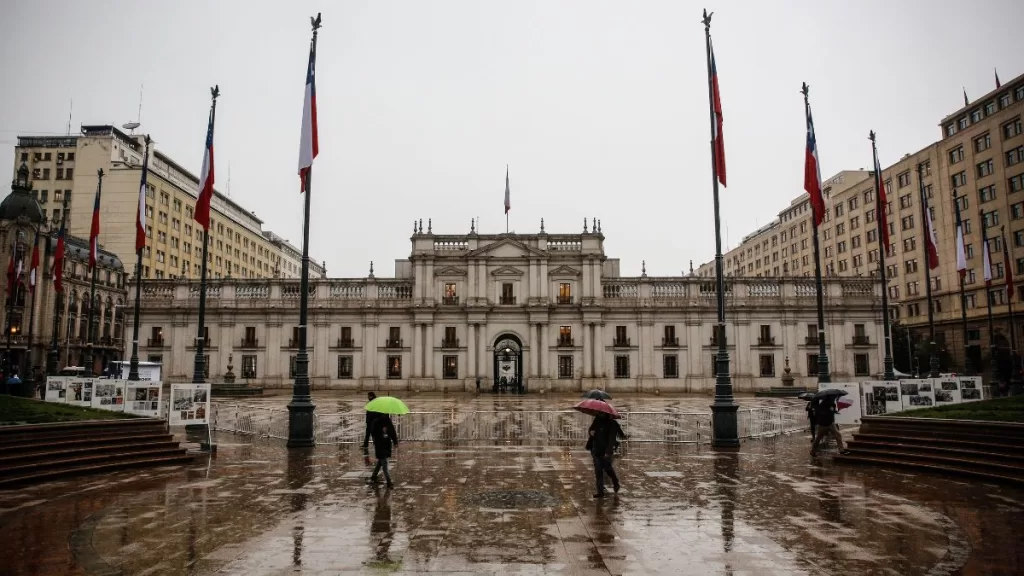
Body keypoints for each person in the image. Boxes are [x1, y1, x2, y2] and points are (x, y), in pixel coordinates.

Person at [586, 413, 626, 498]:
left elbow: (612, 439)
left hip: (606, 451)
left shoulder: (612, 424)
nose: (600, 414)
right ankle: (600, 491)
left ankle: (615, 482)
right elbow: (591, 430)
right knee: (598, 470)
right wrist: (591, 432)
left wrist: (608, 451)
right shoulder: (597, 420)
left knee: (608, 469)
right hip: (596, 449)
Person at [367, 413, 399, 488]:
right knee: (384, 463)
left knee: (380, 462)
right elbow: (373, 432)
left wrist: (395, 441)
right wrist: (381, 430)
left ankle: (373, 476)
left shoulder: (388, 421)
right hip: (379, 445)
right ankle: (389, 482)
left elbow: (392, 431)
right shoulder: (376, 422)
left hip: (386, 445)